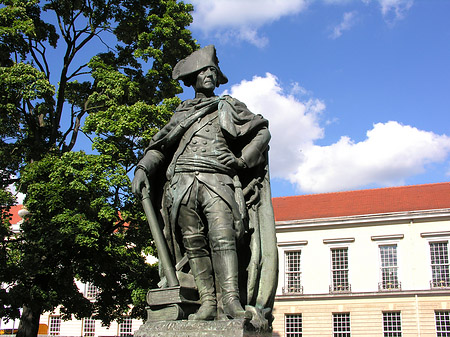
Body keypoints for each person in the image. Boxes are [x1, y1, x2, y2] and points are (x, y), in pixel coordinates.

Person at [132, 45, 277, 324]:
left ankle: (231, 302)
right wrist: (142, 168)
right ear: (193, 78)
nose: (209, 75)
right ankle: (207, 302)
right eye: (204, 71)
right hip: (182, 184)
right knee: (193, 243)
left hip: (217, 179)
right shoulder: (180, 113)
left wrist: (243, 161)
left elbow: (262, 130)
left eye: (213, 71)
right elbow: (160, 148)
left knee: (224, 239)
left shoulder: (228, 105)